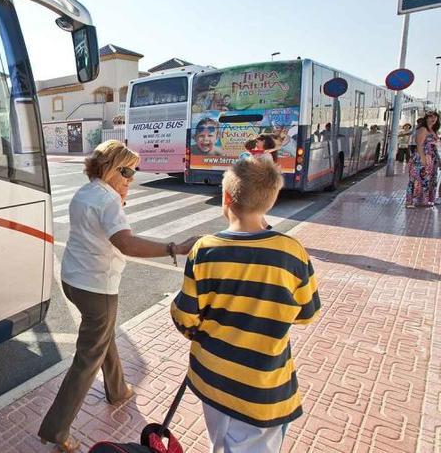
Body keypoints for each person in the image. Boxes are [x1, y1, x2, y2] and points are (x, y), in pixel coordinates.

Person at [38, 140, 198, 452]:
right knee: (87, 357)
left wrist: (119, 194)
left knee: (102, 336)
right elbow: (125, 243)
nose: (131, 178)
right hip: (97, 286)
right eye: (126, 171)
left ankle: (118, 389)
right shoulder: (108, 200)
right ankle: (55, 430)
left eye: (134, 172)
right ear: (110, 167)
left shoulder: (86, 191)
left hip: (73, 279)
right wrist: (174, 247)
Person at [171, 157, 320, 453]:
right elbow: (307, 313)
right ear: (272, 200)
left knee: (220, 442)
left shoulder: (205, 249)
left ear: (226, 198)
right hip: (263, 386)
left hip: (212, 377)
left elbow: (185, 317)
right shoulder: (291, 252)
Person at [405, 111, 438, 208]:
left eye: (435, 117)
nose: (433, 119)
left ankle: (422, 201)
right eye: (431, 117)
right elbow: (419, 144)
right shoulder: (422, 129)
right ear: (426, 118)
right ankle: (409, 202)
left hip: (430, 158)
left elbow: (434, 144)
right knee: (415, 179)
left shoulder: (432, 130)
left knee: (426, 180)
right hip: (420, 158)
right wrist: (423, 158)